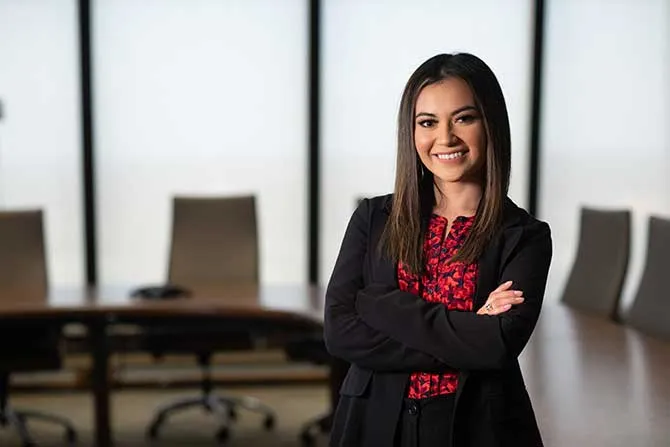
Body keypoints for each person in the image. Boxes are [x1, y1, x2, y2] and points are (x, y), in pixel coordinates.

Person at [324, 53, 553, 447]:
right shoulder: (373, 218)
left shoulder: (525, 236)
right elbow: (341, 332)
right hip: (373, 421)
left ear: (491, 124)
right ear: (410, 133)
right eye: (427, 123)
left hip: (478, 427)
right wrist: (466, 333)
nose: (445, 138)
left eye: (464, 118)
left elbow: (496, 344)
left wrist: (382, 305)